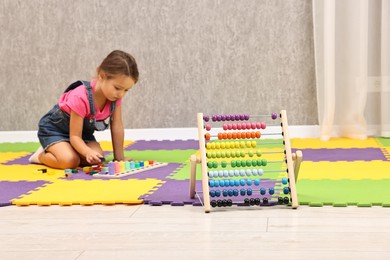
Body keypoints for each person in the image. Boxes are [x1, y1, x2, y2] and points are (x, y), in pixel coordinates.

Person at [29, 50, 139, 169]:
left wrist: (119, 158)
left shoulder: (114, 97)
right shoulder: (81, 97)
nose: (121, 94)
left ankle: (66, 150)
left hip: (81, 135)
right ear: (102, 76)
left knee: (97, 159)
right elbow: (74, 136)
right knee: (70, 161)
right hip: (56, 130)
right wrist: (86, 152)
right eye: (118, 88)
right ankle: (41, 155)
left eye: (126, 90)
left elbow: (117, 126)